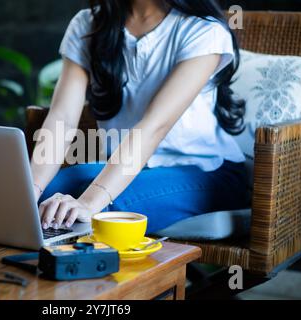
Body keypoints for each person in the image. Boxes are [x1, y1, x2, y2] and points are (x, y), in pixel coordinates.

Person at [30, 0, 250, 234]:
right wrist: (31, 190)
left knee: (103, 214)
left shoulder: (204, 30)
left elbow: (154, 126)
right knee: (43, 198)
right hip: (132, 167)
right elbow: (62, 118)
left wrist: (89, 203)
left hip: (206, 169)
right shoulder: (88, 24)